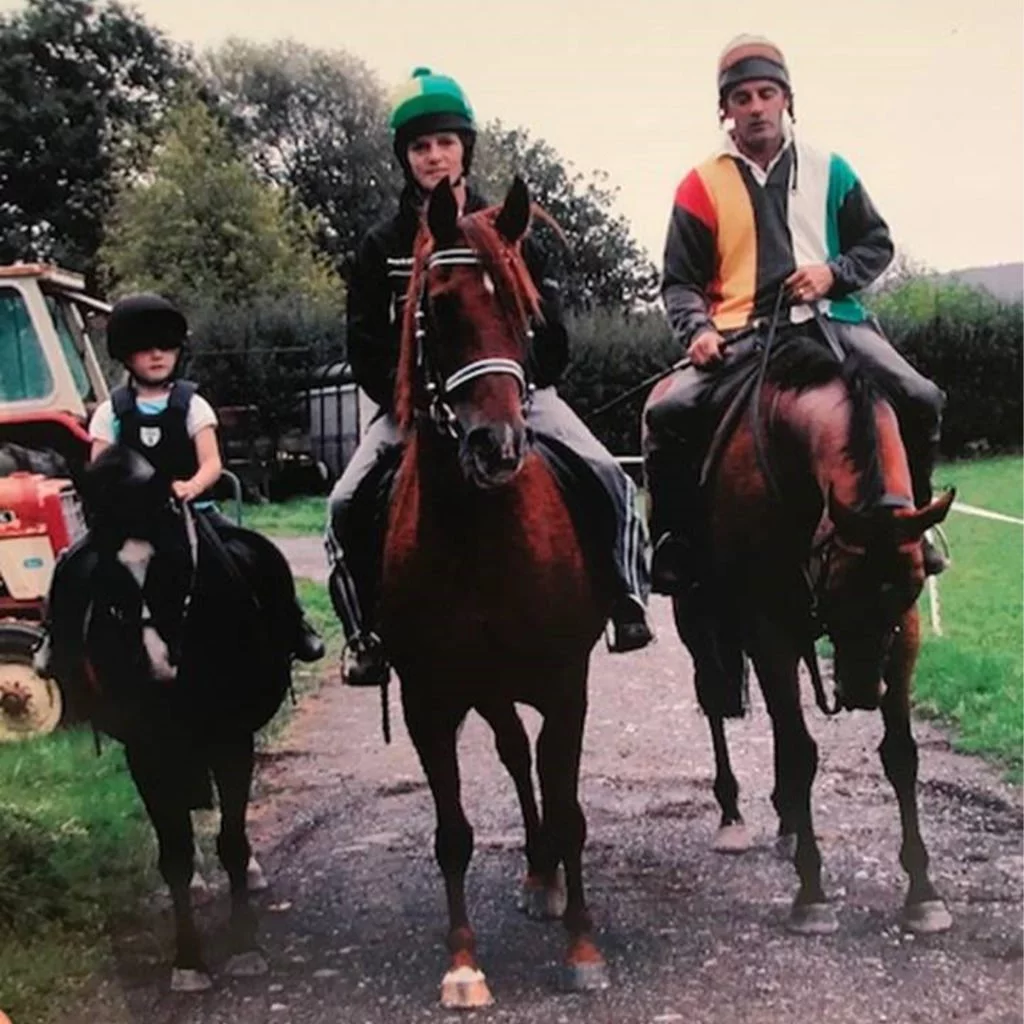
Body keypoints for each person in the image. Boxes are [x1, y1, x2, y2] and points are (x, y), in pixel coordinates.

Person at [326, 66, 653, 687]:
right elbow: (365, 342)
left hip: (517, 397)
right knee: (344, 502)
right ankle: (364, 632)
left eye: (445, 142)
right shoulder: (382, 245)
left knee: (607, 474)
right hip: (414, 408)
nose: (433, 156)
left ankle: (623, 598)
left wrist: (512, 390)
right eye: (420, 146)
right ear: (405, 158)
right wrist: (406, 401)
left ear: (464, 148)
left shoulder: (510, 228)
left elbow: (549, 330)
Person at [645, 33, 947, 622]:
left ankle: (912, 529)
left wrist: (832, 274)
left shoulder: (830, 168)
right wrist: (697, 330)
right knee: (664, 416)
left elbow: (876, 242)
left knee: (921, 397)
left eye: (766, 93)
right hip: (741, 335)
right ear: (725, 110)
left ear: (786, 100)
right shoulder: (698, 184)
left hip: (835, 325)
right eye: (741, 97)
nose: (755, 106)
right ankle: (674, 542)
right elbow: (679, 281)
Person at [89, 292, 324, 663]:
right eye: (145, 347)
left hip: (193, 508)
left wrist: (192, 486)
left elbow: (212, 463)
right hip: (132, 519)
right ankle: (59, 643)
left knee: (258, 556)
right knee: (75, 565)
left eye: (166, 347)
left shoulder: (193, 405)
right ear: (126, 353)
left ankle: (295, 627)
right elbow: (102, 468)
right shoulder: (109, 412)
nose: (157, 355)